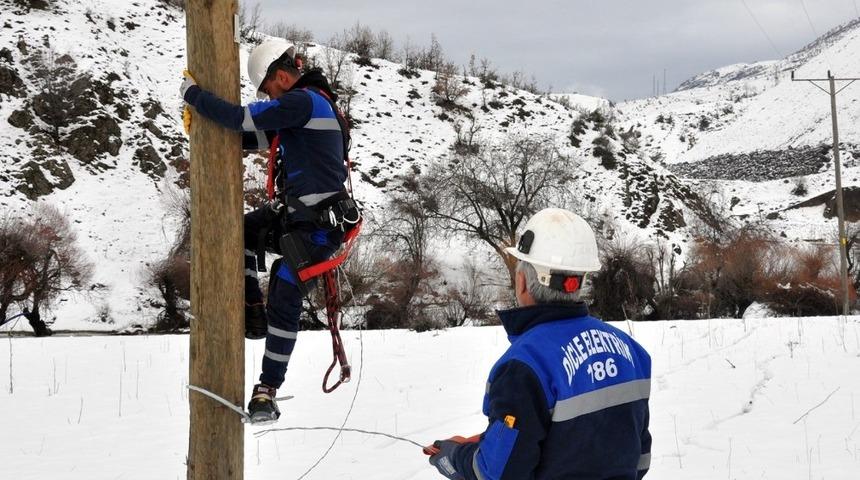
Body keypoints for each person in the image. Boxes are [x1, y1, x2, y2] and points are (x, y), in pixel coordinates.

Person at [179, 39, 357, 424]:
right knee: (241, 231)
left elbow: (243, 120)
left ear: (280, 77)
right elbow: (251, 137)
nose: (270, 98)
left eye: (269, 91)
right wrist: (204, 131)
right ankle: (250, 310)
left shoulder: (303, 101)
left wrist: (193, 95)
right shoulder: (312, 106)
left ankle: (266, 389)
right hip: (301, 218)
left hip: (318, 228)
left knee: (285, 286)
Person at [427, 208, 652, 480]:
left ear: (522, 281)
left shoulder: (524, 367)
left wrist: (453, 456)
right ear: (578, 282)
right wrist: (484, 442)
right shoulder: (630, 351)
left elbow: (497, 474)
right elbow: (638, 458)